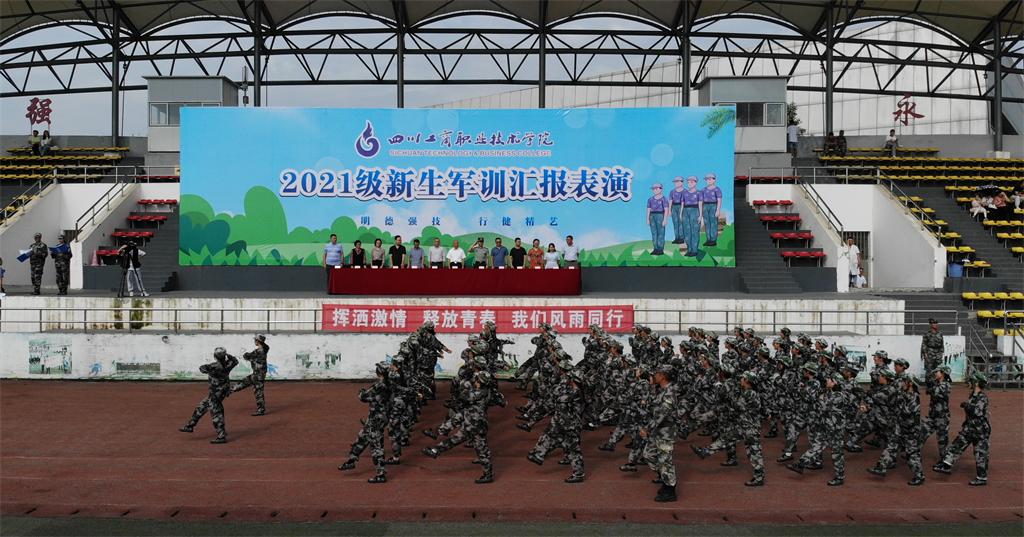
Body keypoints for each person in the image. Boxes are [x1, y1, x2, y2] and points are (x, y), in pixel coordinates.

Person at [932, 372, 990, 486]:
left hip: (979, 431)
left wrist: (967, 405)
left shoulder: (982, 397)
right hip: (969, 428)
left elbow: (977, 412)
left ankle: (982, 478)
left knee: (980, 454)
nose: (969, 383)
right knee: (956, 446)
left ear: (976, 383)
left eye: (971, 381)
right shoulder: (973, 395)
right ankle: (947, 465)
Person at [179, 347, 238, 444]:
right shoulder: (229, 364)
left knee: (216, 413)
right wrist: (228, 355)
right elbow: (235, 361)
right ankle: (190, 425)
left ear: (215, 356)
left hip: (216, 393)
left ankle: (221, 436)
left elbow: (202, 368)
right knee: (202, 406)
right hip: (222, 391)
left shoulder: (214, 366)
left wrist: (208, 370)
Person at [642, 365, 679, 502]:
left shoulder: (670, 393)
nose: (654, 376)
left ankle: (670, 490)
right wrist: (652, 387)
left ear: (663, 376)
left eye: (657, 373)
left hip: (665, 433)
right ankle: (665, 478)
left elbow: (661, 414)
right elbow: (651, 406)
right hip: (657, 431)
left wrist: (647, 429)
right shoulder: (661, 391)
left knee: (665, 461)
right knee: (648, 455)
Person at [231, 334, 269, 416]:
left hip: (258, 375)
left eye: (255, 340)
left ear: (258, 341)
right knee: (255, 389)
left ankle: (228, 390)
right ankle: (261, 409)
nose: (254, 341)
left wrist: (245, 354)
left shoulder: (259, 351)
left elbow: (247, 356)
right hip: (259, 374)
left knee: (255, 390)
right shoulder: (264, 349)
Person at [921, 318, 944, 391]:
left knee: (938, 369)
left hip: (938, 353)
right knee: (929, 369)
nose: (936, 325)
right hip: (930, 352)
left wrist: (941, 353)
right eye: (934, 323)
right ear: (930, 324)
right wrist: (925, 353)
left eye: (936, 323)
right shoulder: (927, 334)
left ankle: (938, 385)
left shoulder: (940, 333)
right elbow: (924, 344)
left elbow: (942, 344)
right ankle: (928, 385)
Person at [646, 183, 669, 255]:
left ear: (661, 189)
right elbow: (648, 209)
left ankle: (660, 249)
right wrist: (647, 219)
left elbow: (666, 209)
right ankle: (655, 248)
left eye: (656, 188)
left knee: (661, 233)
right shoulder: (650, 199)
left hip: (660, 215)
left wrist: (665, 219)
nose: (655, 190)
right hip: (652, 216)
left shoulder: (664, 199)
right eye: (653, 189)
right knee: (654, 233)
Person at [681, 176, 702, 257]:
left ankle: (694, 250)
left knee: (695, 231)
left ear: (696, 183)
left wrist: (700, 215)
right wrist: (681, 213)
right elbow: (682, 203)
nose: (689, 184)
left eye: (692, 182)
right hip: (685, 211)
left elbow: (700, 204)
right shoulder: (684, 193)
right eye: (688, 182)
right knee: (687, 231)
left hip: (695, 210)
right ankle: (689, 249)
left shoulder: (699, 193)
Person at [701, 173, 723, 247]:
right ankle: (708, 239)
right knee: (707, 223)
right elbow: (701, 200)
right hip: (705, 206)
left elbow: (719, 200)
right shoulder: (703, 190)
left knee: (713, 223)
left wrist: (718, 210)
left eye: (710, 179)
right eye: (707, 180)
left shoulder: (717, 189)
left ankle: (713, 240)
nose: (708, 181)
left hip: (713, 205)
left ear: (714, 180)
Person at [668, 177, 686, 245]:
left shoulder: (685, 191)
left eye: (678, 182)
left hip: (682, 207)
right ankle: (677, 237)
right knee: (675, 223)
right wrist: (669, 210)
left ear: (682, 182)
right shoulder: (672, 192)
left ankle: (681, 238)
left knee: (681, 223)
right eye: (675, 182)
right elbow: (670, 201)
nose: (676, 183)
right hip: (674, 207)